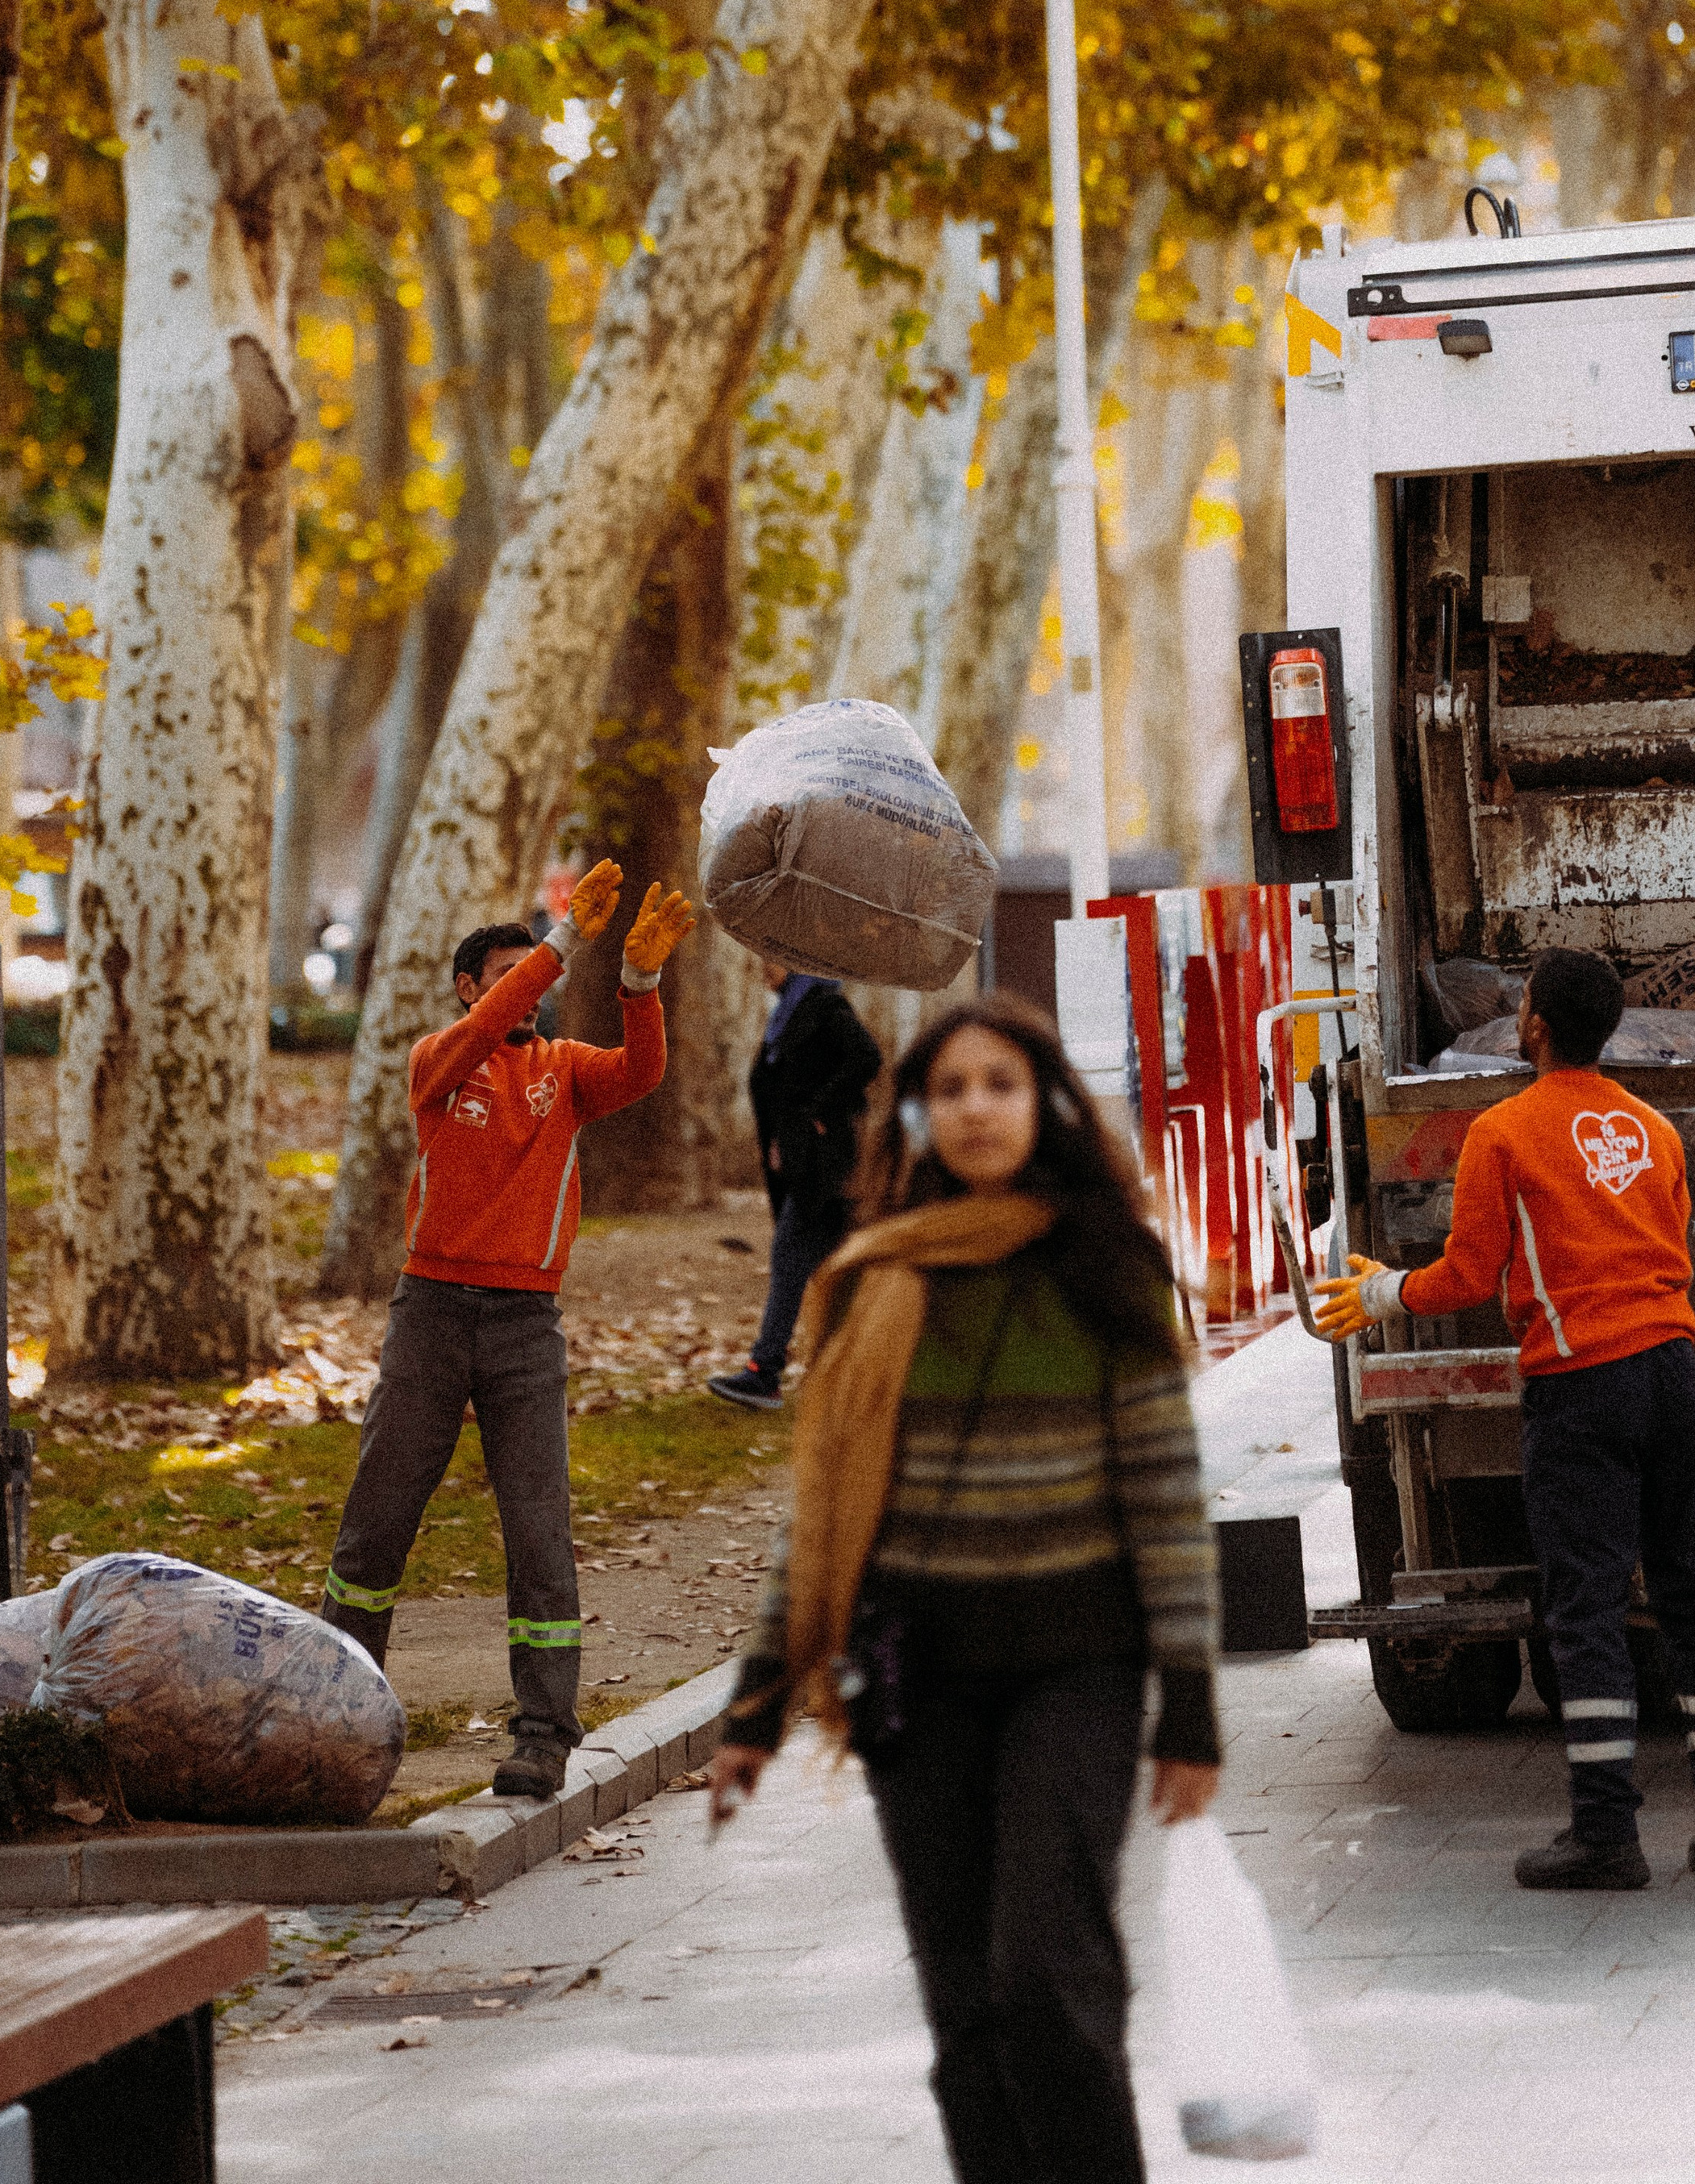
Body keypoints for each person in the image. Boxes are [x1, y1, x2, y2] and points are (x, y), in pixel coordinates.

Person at [706, 992, 1220, 2184]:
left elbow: (1165, 1496)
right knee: (965, 2009)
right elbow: (822, 1508)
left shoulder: (1109, 1263)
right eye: (950, 1089)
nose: (976, 1108)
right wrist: (755, 1705)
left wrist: (1190, 1705)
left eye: (1000, 1083)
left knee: (1047, 1975)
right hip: (915, 1682)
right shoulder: (869, 1277)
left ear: (1045, 1104)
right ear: (917, 1120)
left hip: (1075, 1672)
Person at [1317, 943, 1695, 1891]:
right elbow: (1669, 1249)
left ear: (1532, 1025)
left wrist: (1383, 1291)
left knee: (1587, 1608)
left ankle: (1605, 1834)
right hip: (1671, 1372)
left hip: (1581, 1384)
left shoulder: (1504, 1131)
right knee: (1692, 1597)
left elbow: (1466, 1273)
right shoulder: (1654, 1129)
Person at [320, 859, 697, 1800]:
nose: (529, 991)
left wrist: (640, 980)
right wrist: (561, 942)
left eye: (533, 975)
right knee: (377, 1521)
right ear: (468, 988)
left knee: (539, 1531)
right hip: (430, 1314)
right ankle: (333, 1717)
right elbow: (491, 1021)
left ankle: (543, 1732)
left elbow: (643, 1070)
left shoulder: (563, 1071)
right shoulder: (439, 1060)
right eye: (507, 976)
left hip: (527, 1325)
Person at [708, 955, 882, 1409]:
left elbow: (867, 1057)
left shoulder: (824, 1005)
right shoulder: (790, 1010)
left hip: (824, 1167)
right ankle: (858, 1374)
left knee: (791, 1257)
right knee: (835, 1268)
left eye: (772, 959)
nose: (764, 968)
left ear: (796, 961)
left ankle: (764, 1372)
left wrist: (818, 1114)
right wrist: (783, 1138)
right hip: (806, 1164)